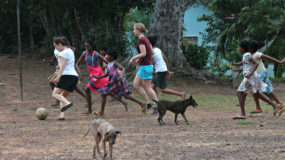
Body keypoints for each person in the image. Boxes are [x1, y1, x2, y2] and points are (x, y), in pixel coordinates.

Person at [230, 40, 281, 119]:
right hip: (250, 76)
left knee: (240, 93)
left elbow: (256, 64)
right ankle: (274, 105)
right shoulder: (246, 55)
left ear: (243, 48)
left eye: (239, 47)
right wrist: (236, 66)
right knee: (256, 93)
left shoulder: (247, 55)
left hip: (251, 77)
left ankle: (243, 114)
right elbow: (246, 65)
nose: (238, 49)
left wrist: (250, 73)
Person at [93, 49, 146, 116]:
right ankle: (142, 104)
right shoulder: (109, 64)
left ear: (112, 57)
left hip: (117, 82)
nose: (106, 56)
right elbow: (107, 74)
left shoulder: (114, 63)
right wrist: (98, 77)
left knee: (104, 94)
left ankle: (101, 113)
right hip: (114, 82)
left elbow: (122, 68)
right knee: (126, 96)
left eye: (108, 55)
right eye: (106, 55)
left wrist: (121, 75)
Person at [128, 23, 159, 114]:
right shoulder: (145, 39)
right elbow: (151, 52)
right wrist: (140, 59)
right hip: (144, 66)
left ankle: (157, 106)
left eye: (134, 29)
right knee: (136, 85)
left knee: (148, 88)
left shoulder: (141, 40)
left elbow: (144, 53)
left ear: (138, 30)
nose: (133, 31)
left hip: (146, 67)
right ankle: (148, 103)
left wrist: (134, 58)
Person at [248, 40, 284, 115]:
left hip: (261, 74)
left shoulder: (257, 54)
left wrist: (279, 62)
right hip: (257, 74)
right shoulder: (249, 56)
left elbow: (268, 58)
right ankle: (279, 104)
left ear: (251, 48)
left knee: (254, 90)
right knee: (265, 90)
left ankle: (260, 107)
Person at [75, 40, 109, 114]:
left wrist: (114, 68)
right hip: (92, 74)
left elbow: (108, 62)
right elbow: (76, 64)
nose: (86, 48)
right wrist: (80, 73)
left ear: (92, 46)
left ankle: (90, 110)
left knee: (87, 89)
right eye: (85, 46)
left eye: (88, 46)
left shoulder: (96, 54)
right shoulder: (84, 53)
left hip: (97, 74)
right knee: (97, 91)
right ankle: (91, 110)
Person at [148, 35, 185, 100]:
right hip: (162, 69)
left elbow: (150, 62)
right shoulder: (157, 49)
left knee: (163, 89)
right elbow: (165, 59)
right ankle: (156, 103)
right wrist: (167, 70)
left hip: (160, 70)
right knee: (152, 87)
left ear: (149, 43)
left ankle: (181, 94)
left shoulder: (151, 51)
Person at [51, 36, 78, 120]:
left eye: (55, 46)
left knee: (55, 94)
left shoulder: (63, 53)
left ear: (59, 44)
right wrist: (59, 66)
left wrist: (58, 77)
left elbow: (63, 65)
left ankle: (67, 103)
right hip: (74, 77)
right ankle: (62, 115)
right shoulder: (70, 50)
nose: (55, 48)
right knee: (62, 96)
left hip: (66, 76)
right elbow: (66, 64)